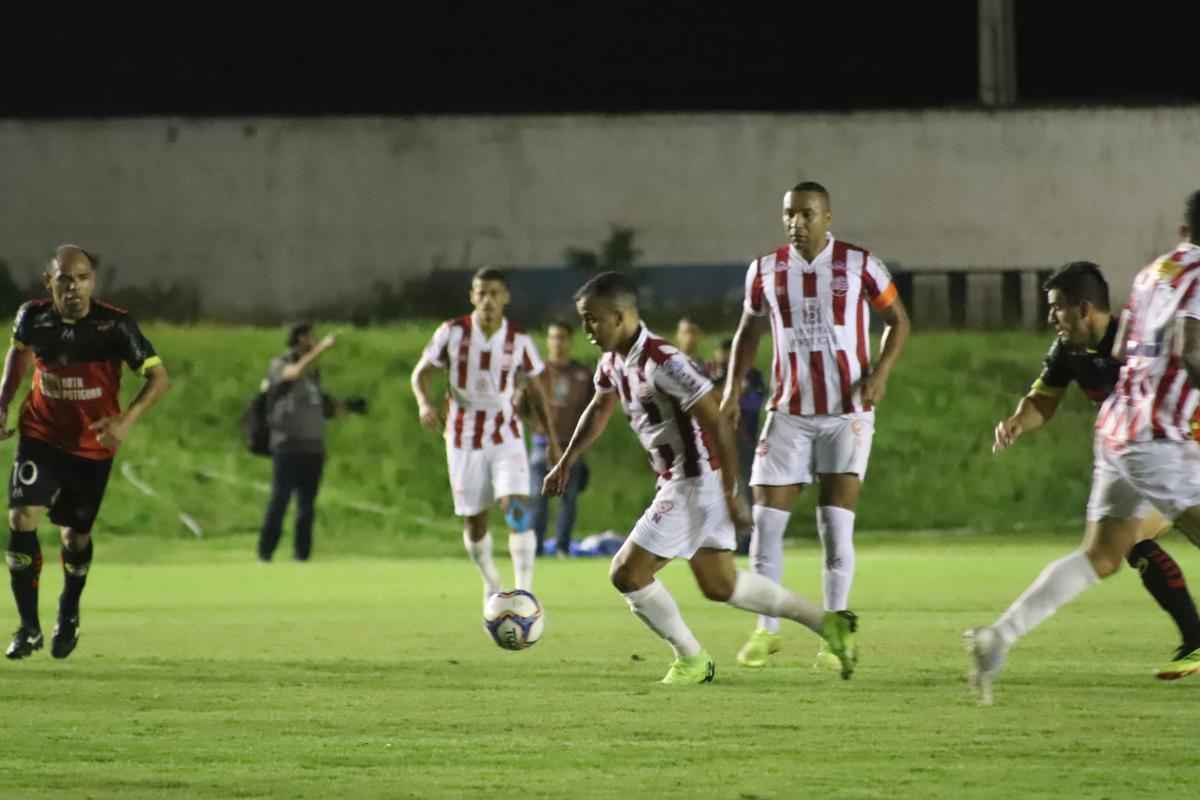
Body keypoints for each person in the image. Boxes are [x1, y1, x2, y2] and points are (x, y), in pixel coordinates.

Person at [543, 271, 857, 684]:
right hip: (684, 481)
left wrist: (729, 490)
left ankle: (691, 660)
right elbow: (599, 409)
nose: (586, 329)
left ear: (620, 317)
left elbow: (718, 420)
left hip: (693, 482)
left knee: (627, 573)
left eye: (592, 319)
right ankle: (828, 624)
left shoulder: (664, 361)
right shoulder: (613, 360)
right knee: (720, 584)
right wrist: (567, 458)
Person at [967, 192, 1200, 704]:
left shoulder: (1154, 271)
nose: (1053, 319)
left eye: (1058, 310)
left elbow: (1123, 351)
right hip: (1158, 434)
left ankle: (998, 637)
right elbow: (1192, 352)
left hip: (1121, 431)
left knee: (1101, 554)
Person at [721, 181, 910, 670]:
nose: (795, 223)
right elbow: (748, 332)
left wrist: (881, 373)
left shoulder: (860, 264)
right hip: (787, 414)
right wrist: (731, 388)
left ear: (828, 217)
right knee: (765, 525)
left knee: (834, 527)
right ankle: (767, 631)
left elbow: (899, 320)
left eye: (806, 214)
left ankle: (833, 633)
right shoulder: (764, 271)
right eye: (789, 214)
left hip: (846, 414)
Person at [2, 245, 170, 660]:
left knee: (74, 538)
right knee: (21, 518)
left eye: (82, 278)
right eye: (64, 279)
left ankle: (69, 611)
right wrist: (3, 399)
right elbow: (19, 354)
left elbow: (158, 378)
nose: (73, 287)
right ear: (49, 283)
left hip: (91, 445)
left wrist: (126, 421)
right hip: (40, 434)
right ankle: (28, 627)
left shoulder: (115, 327)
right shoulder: (32, 317)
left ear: (92, 282)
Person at [411, 267, 560, 605]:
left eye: (494, 293)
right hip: (462, 438)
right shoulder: (451, 333)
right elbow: (420, 374)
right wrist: (424, 404)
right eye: (481, 293)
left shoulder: (519, 340)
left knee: (515, 506)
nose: (487, 300)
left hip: (505, 433)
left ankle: (525, 593)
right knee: (475, 523)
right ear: (472, 297)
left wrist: (552, 440)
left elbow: (538, 390)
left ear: (505, 297)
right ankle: (492, 582)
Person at [257, 323, 366, 562]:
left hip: (313, 448)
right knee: (280, 500)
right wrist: (323, 348)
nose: (314, 340)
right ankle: (265, 553)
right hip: (287, 446)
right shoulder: (280, 364)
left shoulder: (314, 376)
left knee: (307, 506)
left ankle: (301, 555)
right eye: (311, 337)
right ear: (300, 339)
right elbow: (292, 373)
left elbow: (324, 408)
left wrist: (350, 407)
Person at [522, 320, 593, 558]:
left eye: (562, 337)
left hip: (570, 448)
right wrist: (535, 425)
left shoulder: (582, 374)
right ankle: (536, 549)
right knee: (537, 499)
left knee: (569, 500)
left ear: (570, 341)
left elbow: (594, 410)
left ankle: (562, 547)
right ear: (548, 341)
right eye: (553, 337)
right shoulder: (538, 373)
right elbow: (521, 406)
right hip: (542, 445)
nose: (558, 343)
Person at [709, 338, 766, 537]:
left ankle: (749, 536)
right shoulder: (712, 375)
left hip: (745, 441)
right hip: (718, 442)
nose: (726, 358)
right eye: (723, 353)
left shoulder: (753, 376)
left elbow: (755, 402)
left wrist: (734, 396)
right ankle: (725, 535)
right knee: (720, 487)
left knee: (747, 488)